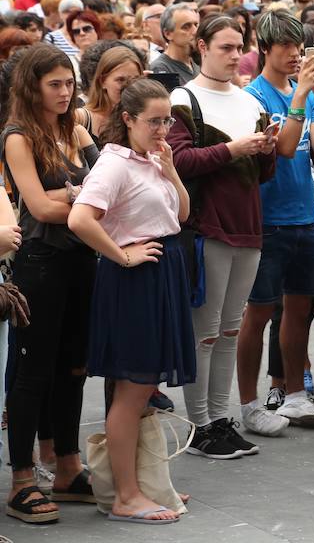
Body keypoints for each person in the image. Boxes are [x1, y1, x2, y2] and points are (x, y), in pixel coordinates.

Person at [68, 78, 194, 524]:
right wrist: (122, 255)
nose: (163, 129)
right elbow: (79, 217)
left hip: (160, 275)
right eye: (154, 121)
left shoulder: (153, 158)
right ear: (127, 119)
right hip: (135, 280)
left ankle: (143, 484)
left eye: (168, 120)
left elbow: (181, 215)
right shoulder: (114, 164)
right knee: (132, 391)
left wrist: (171, 169)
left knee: (142, 392)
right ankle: (125, 495)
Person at [168, 14, 278, 456]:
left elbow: (263, 172)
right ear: (201, 46)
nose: (235, 56)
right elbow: (177, 161)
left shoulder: (249, 101)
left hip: (248, 225)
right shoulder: (184, 97)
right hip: (206, 226)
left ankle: (219, 416)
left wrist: (266, 148)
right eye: (225, 48)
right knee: (206, 331)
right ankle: (199, 425)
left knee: (230, 329)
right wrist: (235, 148)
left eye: (239, 48)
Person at [2, 43, 99, 524]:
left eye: (68, 83)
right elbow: (37, 208)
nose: (64, 92)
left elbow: (105, 190)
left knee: (74, 368)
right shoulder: (18, 135)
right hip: (40, 262)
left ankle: (67, 464)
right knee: (33, 373)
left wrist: (75, 200)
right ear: (32, 86)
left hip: (81, 258)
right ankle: (22, 478)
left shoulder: (75, 128)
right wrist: (80, 202)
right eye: (54, 84)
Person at [239, 9, 314, 432]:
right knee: (257, 314)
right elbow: (282, 148)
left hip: (305, 215)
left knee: (299, 309)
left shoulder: (306, 92)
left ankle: (295, 394)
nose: (295, 55)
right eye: (286, 47)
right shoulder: (253, 96)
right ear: (264, 49)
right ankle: (249, 404)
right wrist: (300, 99)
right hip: (268, 217)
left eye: (299, 47)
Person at [150, 3, 200, 86]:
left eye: (196, 25)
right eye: (186, 27)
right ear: (168, 34)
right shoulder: (160, 69)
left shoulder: (197, 62)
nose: (195, 31)